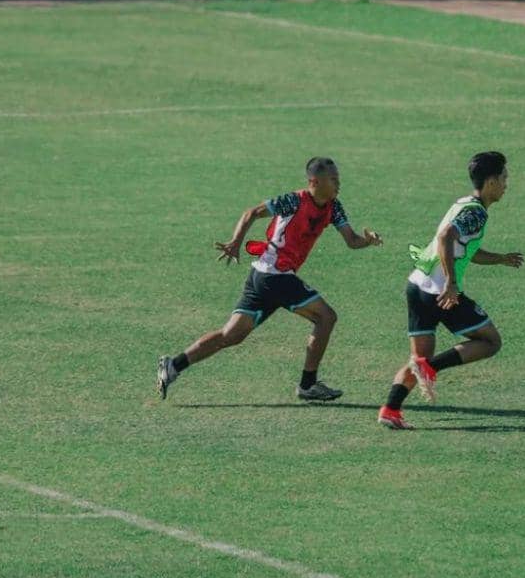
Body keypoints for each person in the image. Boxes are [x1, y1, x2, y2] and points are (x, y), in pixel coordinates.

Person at [157, 157, 383, 402]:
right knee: (326, 317)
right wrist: (235, 242)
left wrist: (367, 240)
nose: (338, 183)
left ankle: (173, 365)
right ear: (314, 181)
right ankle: (308, 385)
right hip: (274, 275)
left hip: (264, 276)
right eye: (333, 179)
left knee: (231, 335)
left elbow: (351, 240)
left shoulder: (334, 207)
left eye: (338, 178)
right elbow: (251, 213)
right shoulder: (293, 201)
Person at [377, 151, 523, 429]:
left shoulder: (464, 204)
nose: (506, 184)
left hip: (417, 285)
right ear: (491, 182)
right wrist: (451, 283)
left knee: (419, 358)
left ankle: (390, 409)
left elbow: (464, 248)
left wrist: (500, 259)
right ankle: (430, 368)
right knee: (491, 341)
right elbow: (445, 238)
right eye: (504, 178)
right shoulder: (476, 213)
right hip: (439, 292)